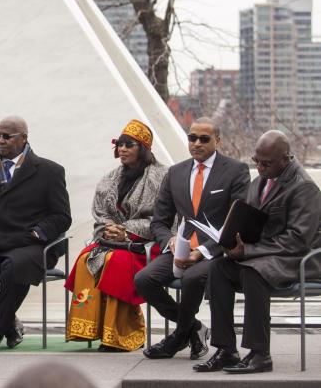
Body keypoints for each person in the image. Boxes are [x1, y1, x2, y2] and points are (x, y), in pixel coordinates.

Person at [194, 130, 321, 374]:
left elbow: (298, 240)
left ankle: (260, 354)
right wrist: (230, 241)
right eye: (257, 161)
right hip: (265, 254)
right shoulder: (260, 180)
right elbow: (250, 219)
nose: (260, 167)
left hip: (298, 258)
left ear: (286, 158)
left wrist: (248, 251)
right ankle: (226, 350)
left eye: (267, 163)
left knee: (253, 272)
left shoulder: (304, 188)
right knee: (219, 268)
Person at [134, 117, 250, 360]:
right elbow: (159, 220)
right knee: (144, 280)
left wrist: (204, 251)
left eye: (204, 139)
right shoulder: (176, 172)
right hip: (180, 250)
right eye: (192, 138)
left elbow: (237, 221)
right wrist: (171, 241)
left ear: (217, 141)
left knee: (193, 278)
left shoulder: (236, 171)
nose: (196, 143)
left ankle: (177, 338)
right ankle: (193, 328)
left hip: (216, 252)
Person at [0, 116, 72, 350]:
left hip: (27, 242)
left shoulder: (50, 171)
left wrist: (39, 233)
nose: (0, 141)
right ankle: (9, 325)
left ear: (24, 138)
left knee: (15, 266)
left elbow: (61, 216)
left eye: (6, 136)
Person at [65, 119, 167, 351]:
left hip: (145, 246)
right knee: (84, 260)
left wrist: (127, 231)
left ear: (143, 148)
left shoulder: (162, 177)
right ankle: (91, 328)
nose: (122, 149)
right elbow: (100, 213)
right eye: (119, 144)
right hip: (111, 240)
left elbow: (165, 220)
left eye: (128, 144)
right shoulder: (110, 177)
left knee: (115, 263)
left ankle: (122, 333)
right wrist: (109, 229)